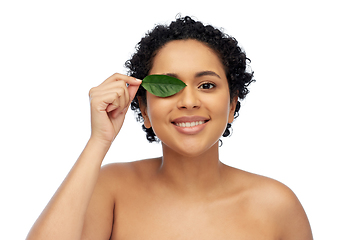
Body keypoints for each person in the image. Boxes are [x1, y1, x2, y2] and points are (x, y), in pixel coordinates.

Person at [26, 16, 313, 240]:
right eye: (169, 87)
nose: (189, 101)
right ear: (144, 109)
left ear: (232, 105)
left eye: (207, 85)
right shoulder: (111, 188)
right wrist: (99, 140)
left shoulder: (277, 206)